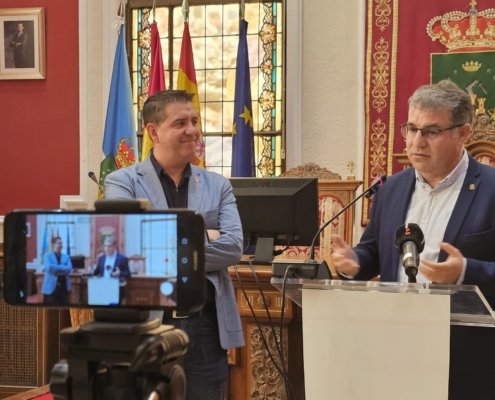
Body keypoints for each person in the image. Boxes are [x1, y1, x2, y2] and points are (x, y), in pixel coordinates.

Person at [104, 89, 244, 399]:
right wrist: (202, 235)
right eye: (180, 122)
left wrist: (157, 241)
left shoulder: (218, 185)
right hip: (147, 327)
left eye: (194, 121)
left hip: (206, 329)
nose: (193, 130)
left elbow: (234, 247)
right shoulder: (122, 181)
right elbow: (127, 247)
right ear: (154, 131)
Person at [332, 80, 495, 308]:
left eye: (432, 131)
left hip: (465, 336)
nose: (417, 142)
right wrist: (354, 261)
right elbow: (373, 252)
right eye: (411, 129)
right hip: (398, 327)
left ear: (462, 133)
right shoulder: (389, 189)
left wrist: (465, 272)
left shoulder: (490, 189)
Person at [41, 237, 72, 304]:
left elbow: (69, 268)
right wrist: (63, 267)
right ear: (53, 244)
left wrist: (55, 270)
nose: (61, 245)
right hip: (51, 287)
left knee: (64, 310)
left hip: (64, 287)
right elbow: (49, 267)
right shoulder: (47, 256)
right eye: (59, 243)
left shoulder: (66, 257)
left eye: (61, 243)